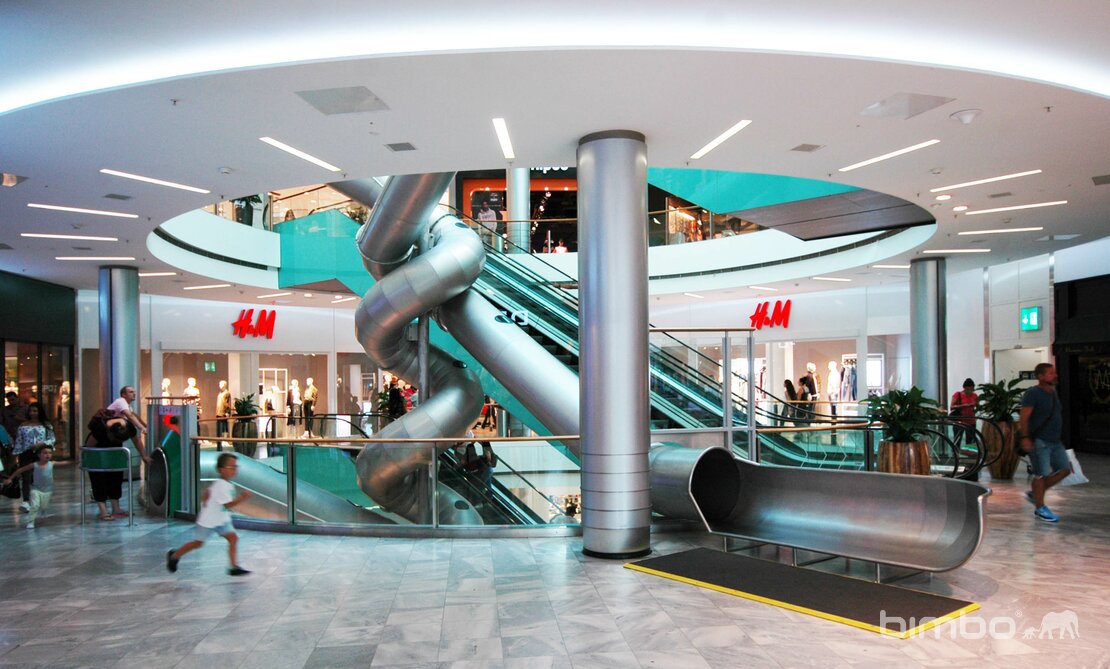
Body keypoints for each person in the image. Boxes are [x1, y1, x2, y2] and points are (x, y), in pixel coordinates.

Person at [166, 452, 252, 576]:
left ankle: (233, 567)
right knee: (198, 543)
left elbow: (210, 497)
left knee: (233, 538)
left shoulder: (225, 484)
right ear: (221, 470)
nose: (234, 470)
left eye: (235, 467)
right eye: (232, 467)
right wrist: (243, 497)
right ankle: (175, 555)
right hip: (208, 521)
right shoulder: (221, 486)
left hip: (221, 519)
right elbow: (227, 505)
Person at [1019, 363, 1069, 523]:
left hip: (1055, 440)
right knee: (1041, 474)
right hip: (1040, 441)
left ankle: (1036, 493)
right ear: (1040, 376)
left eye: (1054, 373)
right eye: (1050, 373)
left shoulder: (1053, 392)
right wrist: (1025, 437)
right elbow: (1024, 417)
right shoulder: (1032, 393)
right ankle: (1040, 507)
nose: (1055, 375)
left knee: (1065, 469)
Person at [12, 403, 55, 511]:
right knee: (26, 477)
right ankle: (26, 501)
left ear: (39, 412)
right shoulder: (23, 425)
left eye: (35, 411)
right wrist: (15, 456)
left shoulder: (46, 425)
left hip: (40, 454)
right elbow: (19, 441)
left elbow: (52, 439)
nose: (32, 413)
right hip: (25, 453)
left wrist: (42, 444)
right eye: (31, 411)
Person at [3, 445, 54, 529]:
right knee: (35, 506)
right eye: (45, 453)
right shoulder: (34, 465)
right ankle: (31, 522)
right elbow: (20, 470)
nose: (48, 455)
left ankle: (43, 510)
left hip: (47, 490)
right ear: (39, 455)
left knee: (44, 505)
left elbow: (66, 463)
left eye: (50, 453)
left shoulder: (52, 464)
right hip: (36, 489)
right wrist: (10, 479)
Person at [107, 386, 151, 462]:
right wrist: (143, 428)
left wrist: (146, 426)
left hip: (114, 436)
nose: (134, 394)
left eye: (134, 392)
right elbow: (130, 416)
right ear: (123, 395)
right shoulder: (121, 401)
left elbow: (134, 416)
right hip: (107, 434)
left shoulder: (127, 407)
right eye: (131, 392)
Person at [950, 378, 979, 446]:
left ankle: (969, 452)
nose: (970, 391)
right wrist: (965, 405)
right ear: (964, 388)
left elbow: (978, 406)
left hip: (971, 421)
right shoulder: (958, 394)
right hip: (959, 421)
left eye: (972, 389)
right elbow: (952, 407)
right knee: (957, 440)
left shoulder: (974, 395)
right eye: (968, 389)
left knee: (970, 441)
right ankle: (956, 452)